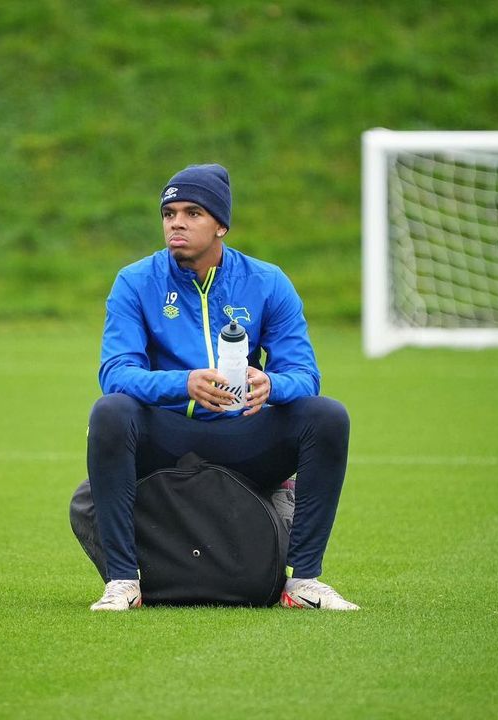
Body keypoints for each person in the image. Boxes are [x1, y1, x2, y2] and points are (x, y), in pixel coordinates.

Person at [87, 163, 359, 612]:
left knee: (326, 415)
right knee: (111, 411)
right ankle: (123, 581)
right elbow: (115, 372)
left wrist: (271, 384)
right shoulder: (135, 281)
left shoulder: (267, 282)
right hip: (169, 437)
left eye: (193, 212)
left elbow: (305, 376)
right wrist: (184, 384)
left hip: (244, 438)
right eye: (169, 212)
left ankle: (304, 581)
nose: (177, 222)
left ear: (221, 226)